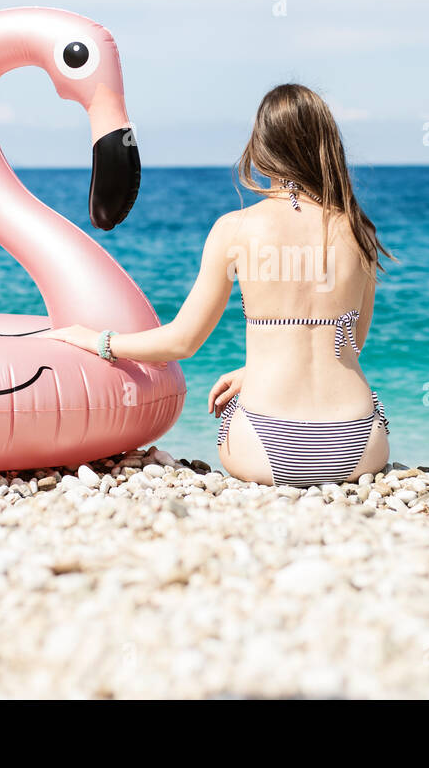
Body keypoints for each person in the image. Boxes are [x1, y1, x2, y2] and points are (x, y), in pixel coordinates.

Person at [47, 84, 393, 486]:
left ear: (262, 147)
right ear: (328, 145)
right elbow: (351, 345)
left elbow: (182, 342)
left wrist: (100, 342)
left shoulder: (235, 230)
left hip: (264, 446)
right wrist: (256, 368)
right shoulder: (358, 230)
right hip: (360, 444)